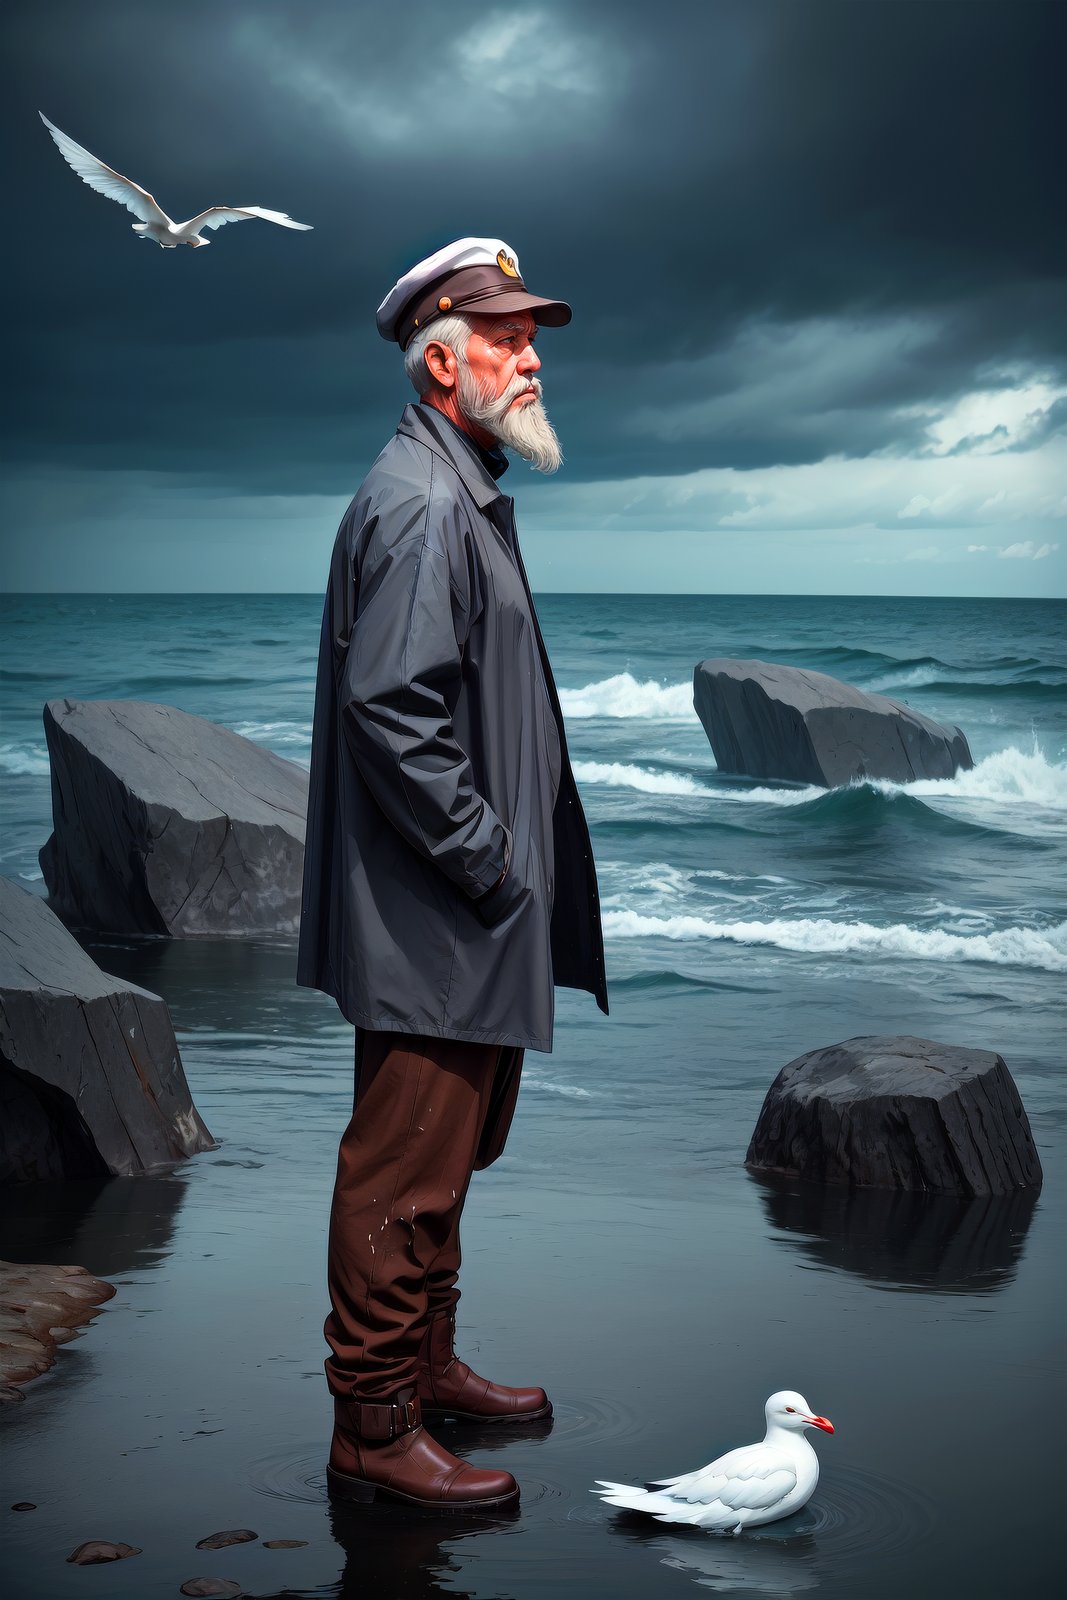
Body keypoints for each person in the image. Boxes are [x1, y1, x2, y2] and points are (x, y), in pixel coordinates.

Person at [297, 237, 609, 1510]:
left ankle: (422, 1372)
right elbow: (394, 717)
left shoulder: (451, 484)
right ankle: (371, 1425)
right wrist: (490, 868)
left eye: (531, 336)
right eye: (505, 338)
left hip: (459, 916)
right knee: (399, 1170)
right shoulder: (427, 505)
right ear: (440, 361)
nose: (531, 358)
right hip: (437, 916)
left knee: (445, 1161)